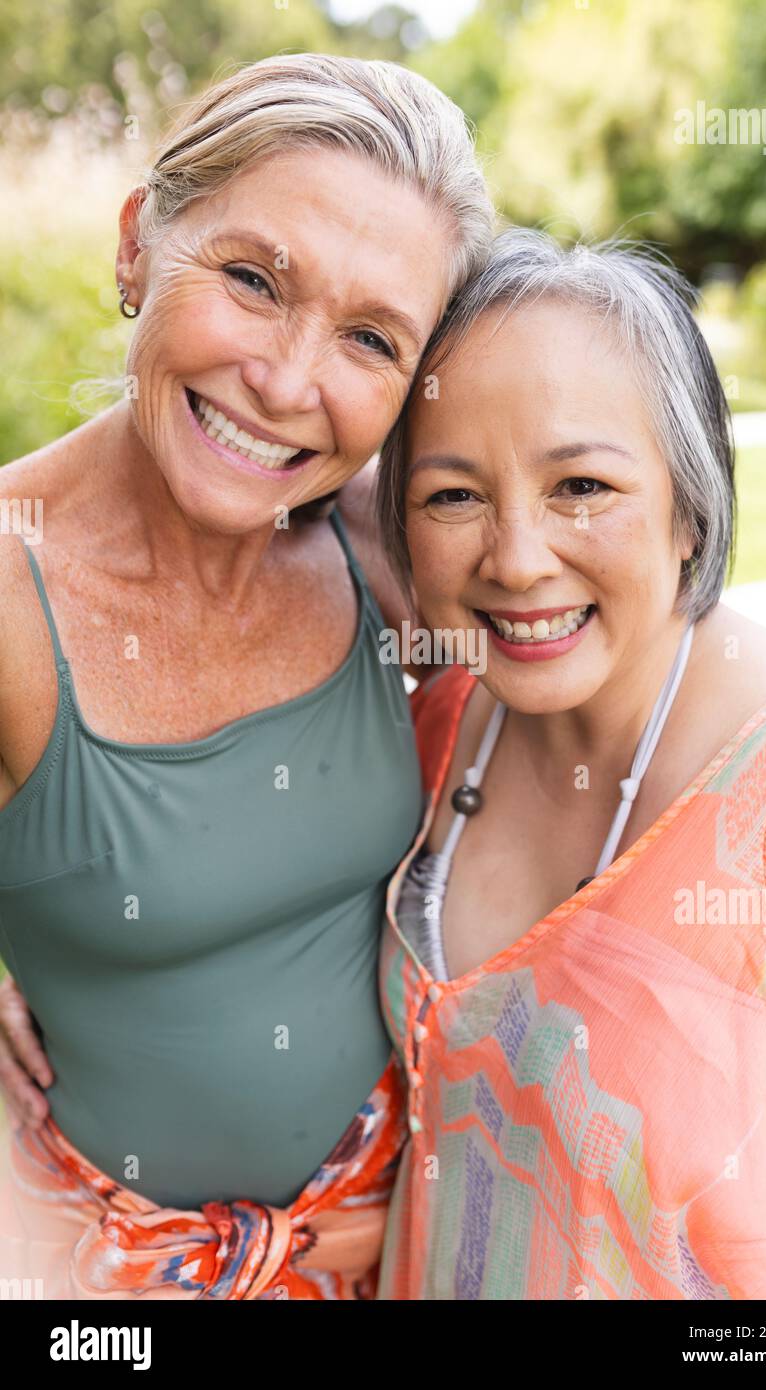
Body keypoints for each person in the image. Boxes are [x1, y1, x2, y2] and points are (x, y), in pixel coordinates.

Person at [0, 51, 493, 1299]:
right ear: (135, 248)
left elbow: (637, 655)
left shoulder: (387, 540)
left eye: (372, 339)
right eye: (253, 280)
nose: (285, 384)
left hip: (408, 1231)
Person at [373, 229, 766, 1299]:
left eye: (582, 485)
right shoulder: (443, 722)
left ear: (691, 508)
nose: (515, 557)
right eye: (453, 495)